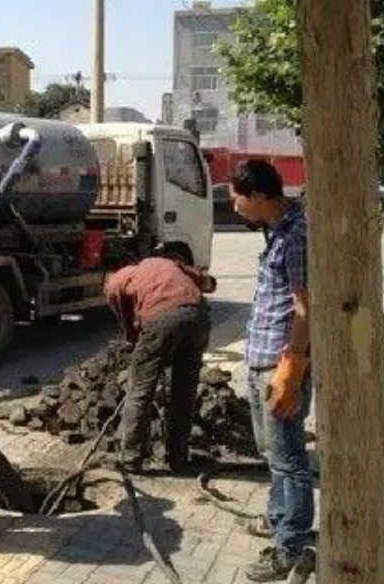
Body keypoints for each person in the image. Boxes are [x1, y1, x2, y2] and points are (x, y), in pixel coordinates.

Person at [229, 159, 312, 582]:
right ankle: (279, 519)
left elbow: (304, 306)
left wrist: (292, 370)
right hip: (260, 360)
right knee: (271, 453)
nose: (234, 204)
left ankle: (290, 548)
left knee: (289, 460)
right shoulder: (278, 230)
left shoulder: (296, 235)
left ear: (259, 196)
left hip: (278, 365)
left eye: (237, 195)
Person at [103, 254, 213, 474]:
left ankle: (130, 458)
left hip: (161, 319)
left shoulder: (115, 282)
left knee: (140, 391)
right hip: (198, 317)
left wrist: (136, 342)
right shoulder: (162, 262)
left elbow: (126, 321)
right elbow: (205, 281)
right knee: (184, 392)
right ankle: (178, 458)